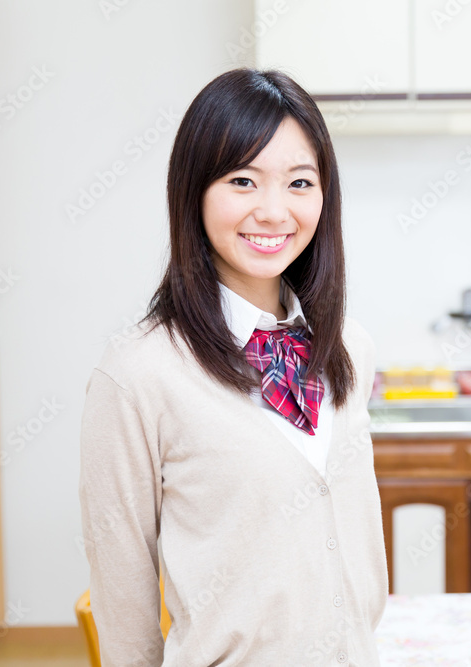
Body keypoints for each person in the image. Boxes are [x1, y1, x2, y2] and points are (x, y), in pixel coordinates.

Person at [78, 68, 387, 667]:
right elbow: (122, 585)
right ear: (194, 192)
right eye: (242, 180)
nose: (274, 211)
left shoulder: (350, 346)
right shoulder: (139, 374)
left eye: (300, 182)